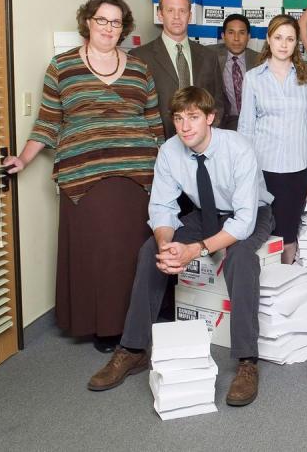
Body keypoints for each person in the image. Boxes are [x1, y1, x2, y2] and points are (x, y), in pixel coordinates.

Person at [87, 86, 274, 407]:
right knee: (150, 251)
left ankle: (247, 362)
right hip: (205, 213)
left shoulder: (239, 148)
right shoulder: (170, 151)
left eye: (193, 117)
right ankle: (132, 350)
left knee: (241, 258)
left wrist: (195, 250)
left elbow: (243, 222)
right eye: (178, 118)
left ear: (210, 119)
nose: (185, 126)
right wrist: (167, 245)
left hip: (252, 212)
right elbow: (161, 208)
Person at [3, 0, 164, 352]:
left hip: (139, 173)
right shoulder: (62, 67)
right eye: (102, 20)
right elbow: (48, 122)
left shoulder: (139, 69)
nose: (109, 28)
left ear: (124, 28)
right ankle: (104, 327)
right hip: (84, 173)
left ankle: (138, 322)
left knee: (131, 251)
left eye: (116, 22)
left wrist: (169, 170)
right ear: (87, 22)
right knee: (98, 252)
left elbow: (154, 123)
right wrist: (24, 160)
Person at [239, 14, 307, 264]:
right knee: (263, 236)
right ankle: (263, 297)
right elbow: (246, 129)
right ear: (268, 39)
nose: (283, 44)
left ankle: (285, 289)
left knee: (288, 236)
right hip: (263, 170)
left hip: (296, 170)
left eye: (290, 39)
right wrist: (244, 174)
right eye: (278, 37)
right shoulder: (253, 78)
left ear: (297, 43)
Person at [131, 0, 223, 138]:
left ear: (190, 15)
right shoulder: (140, 56)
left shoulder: (209, 56)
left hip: (202, 142)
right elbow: (137, 108)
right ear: (160, 14)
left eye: (182, 11)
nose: (176, 17)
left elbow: (218, 101)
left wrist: (208, 134)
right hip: (160, 142)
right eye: (170, 10)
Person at [214, 13, 260, 130]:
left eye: (242, 33)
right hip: (224, 122)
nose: (236, 38)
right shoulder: (210, 55)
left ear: (248, 37)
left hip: (254, 122)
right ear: (223, 36)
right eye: (231, 33)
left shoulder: (260, 60)